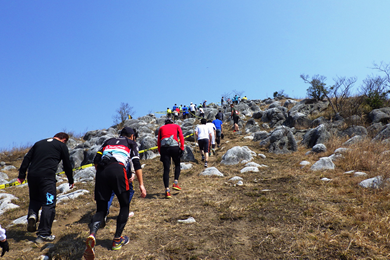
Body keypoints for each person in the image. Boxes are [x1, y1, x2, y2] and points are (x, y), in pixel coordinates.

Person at [84, 127, 146, 260]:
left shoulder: (108, 141)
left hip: (101, 171)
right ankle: (117, 240)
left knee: (100, 210)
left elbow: (96, 160)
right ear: (132, 136)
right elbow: (136, 162)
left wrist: (100, 181)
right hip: (118, 169)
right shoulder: (131, 143)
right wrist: (141, 184)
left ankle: (93, 235)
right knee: (124, 205)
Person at [18, 132, 73, 242]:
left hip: (32, 176)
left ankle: (32, 215)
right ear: (64, 140)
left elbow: (27, 158)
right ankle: (44, 233)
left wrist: (22, 175)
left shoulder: (39, 143)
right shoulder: (61, 146)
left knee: (34, 199)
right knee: (49, 203)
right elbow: (67, 163)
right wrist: (71, 180)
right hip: (47, 177)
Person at [106, 128, 139, 219]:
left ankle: (105, 211)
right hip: (122, 168)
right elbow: (132, 160)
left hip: (107, 167)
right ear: (132, 136)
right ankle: (124, 211)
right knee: (129, 190)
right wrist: (133, 173)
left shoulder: (112, 141)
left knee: (111, 191)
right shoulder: (130, 143)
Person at [158, 118, 185, 198]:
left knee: (166, 169)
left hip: (164, 148)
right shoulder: (176, 126)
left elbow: (158, 141)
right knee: (177, 164)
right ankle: (175, 182)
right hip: (174, 147)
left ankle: (167, 190)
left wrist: (160, 152)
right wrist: (182, 148)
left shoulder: (161, 128)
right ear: (172, 122)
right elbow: (181, 136)